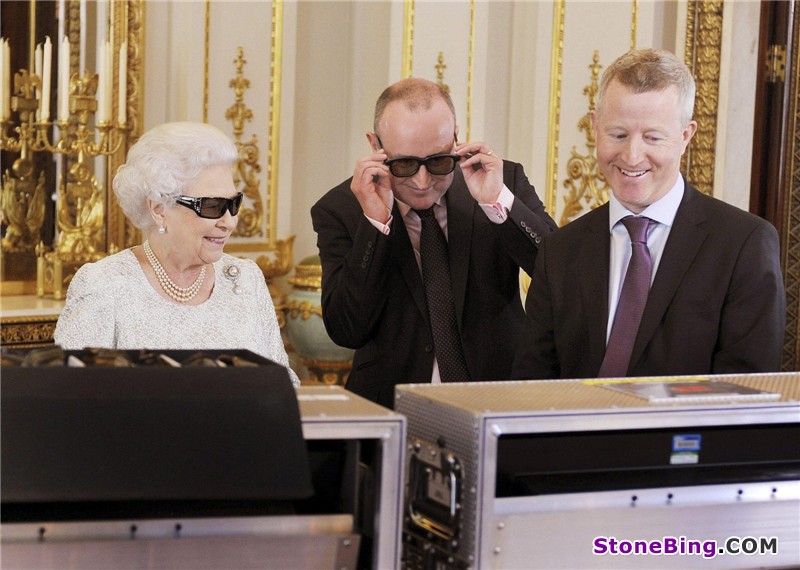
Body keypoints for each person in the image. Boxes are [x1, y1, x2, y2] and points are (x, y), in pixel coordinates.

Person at [512, 48, 785, 380]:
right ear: (595, 128)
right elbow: (531, 387)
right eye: (618, 135)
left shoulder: (744, 245)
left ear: (686, 137)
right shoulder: (560, 251)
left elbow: (744, 394)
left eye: (653, 137)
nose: (632, 155)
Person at [312, 78, 557, 407]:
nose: (421, 181)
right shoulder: (340, 209)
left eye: (439, 161)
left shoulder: (502, 180)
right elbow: (347, 329)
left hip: (499, 395)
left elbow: (558, 276)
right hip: (390, 405)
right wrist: (375, 224)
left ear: (456, 136)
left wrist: (497, 202)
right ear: (375, 146)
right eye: (403, 164)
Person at [54, 122, 300, 387]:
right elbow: (71, 394)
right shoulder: (105, 284)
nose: (229, 222)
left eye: (233, 203)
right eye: (213, 205)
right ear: (159, 209)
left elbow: (283, 386)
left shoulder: (245, 279)